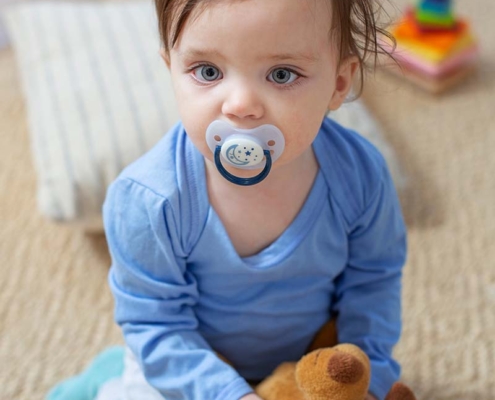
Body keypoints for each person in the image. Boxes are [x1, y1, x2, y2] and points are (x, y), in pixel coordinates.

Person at [102, 0, 406, 399]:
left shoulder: (360, 176)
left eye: (281, 74)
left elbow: (374, 284)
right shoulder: (149, 200)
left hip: (310, 362)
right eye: (207, 72)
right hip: (192, 365)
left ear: (338, 83)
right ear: (171, 70)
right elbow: (156, 324)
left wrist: (369, 375)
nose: (240, 105)